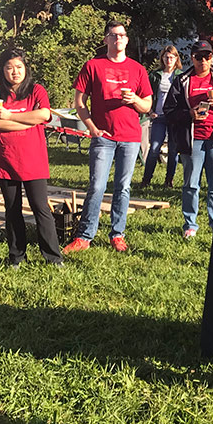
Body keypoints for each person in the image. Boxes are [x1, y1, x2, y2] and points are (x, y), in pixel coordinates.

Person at [63, 20, 152, 253]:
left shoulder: (137, 69)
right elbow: (79, 102)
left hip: (130, 136)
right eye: (113, 35)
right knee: (97, 186)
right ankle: (84, 236)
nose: (118, 39)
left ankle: (118, 234)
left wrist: (135, 100)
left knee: (123, 187)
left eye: (122, 35)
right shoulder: (93, 66)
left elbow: (147, 104)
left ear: (127, 40)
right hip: (103, 136)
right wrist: (91, 126)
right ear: (106, 40)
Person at [0, 49, 63, 268]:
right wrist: (28, 120)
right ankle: (16, 256)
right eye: (9, 68)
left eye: (18, 67)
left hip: (33, 159)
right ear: (2, 71)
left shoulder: (36, 90)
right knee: (12, 209)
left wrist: (10, 116)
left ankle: (53, 257)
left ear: (26, 69)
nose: (14, 72)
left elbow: (44, 115)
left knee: (41, 208)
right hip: (5, 159)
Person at [163, 40, 213, 239]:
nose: (203, 61)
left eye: (207, 57)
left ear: (212, 58)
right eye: (199, 57)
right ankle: (190, 224)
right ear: (192, 58)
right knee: (191, 184)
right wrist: (189, 114)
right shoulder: (182, 80)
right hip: (192, 140)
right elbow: (169, 111)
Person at [139, 45, 183, 188]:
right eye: (166, 57)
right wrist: (149, 111)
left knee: (173, 150)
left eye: (172, 57)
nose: (169, 59)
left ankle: (169, 180)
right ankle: (146, 179)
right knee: (154, 149)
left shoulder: (181, 76)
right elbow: (146, 93)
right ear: (162, 58)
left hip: (174, 118)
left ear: (176, 59)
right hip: (158, 116)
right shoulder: (155, 75)